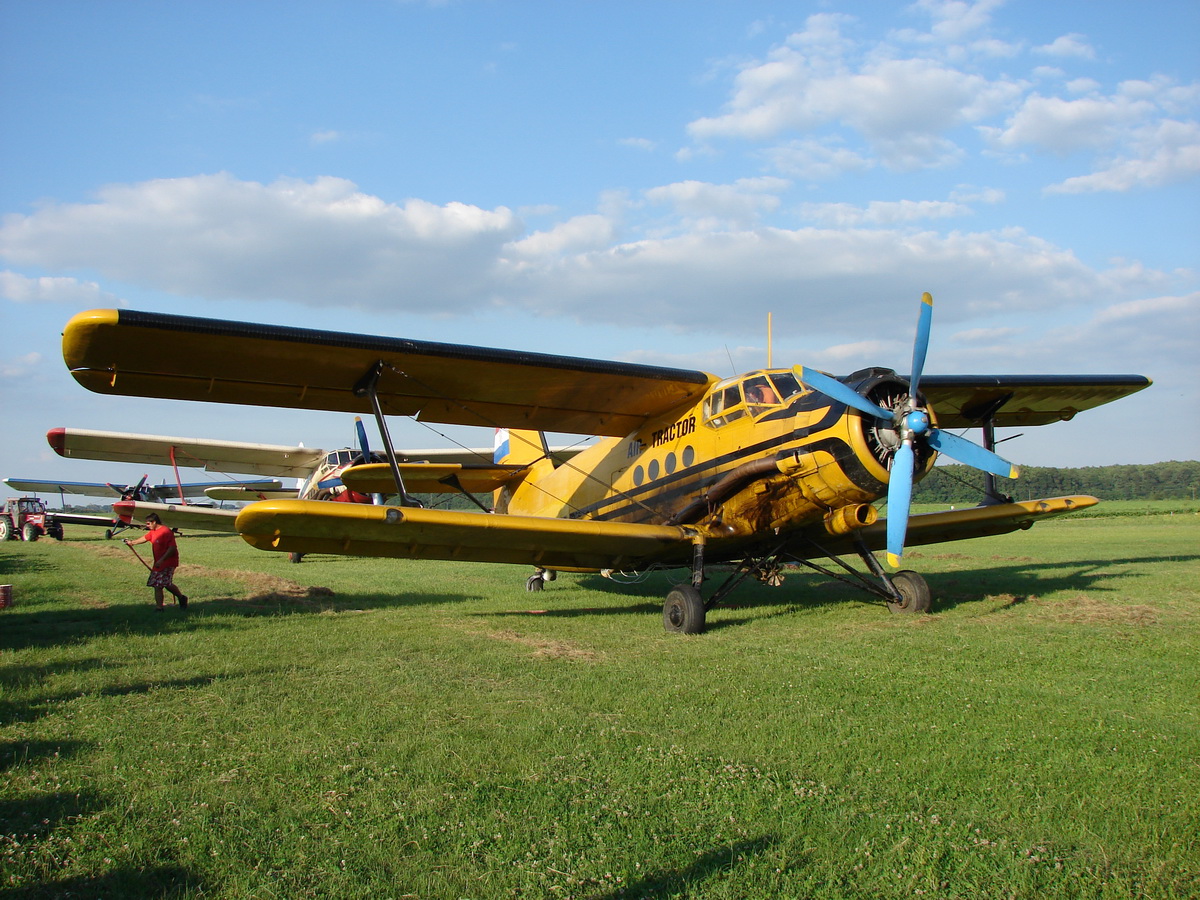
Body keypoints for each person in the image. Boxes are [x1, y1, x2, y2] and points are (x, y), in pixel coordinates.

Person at [124, 513, 188, 611]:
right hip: (159, 563)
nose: (147, 526)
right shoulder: (153, 532)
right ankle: (172, 602)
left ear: (154, 522)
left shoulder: (165, 532)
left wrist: (162, 560)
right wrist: (132, 543)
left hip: (168, 562)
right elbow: (145, 538)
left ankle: (168, 604)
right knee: (162, 584)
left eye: (148, 523)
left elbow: (172, 548)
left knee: (160, 584)